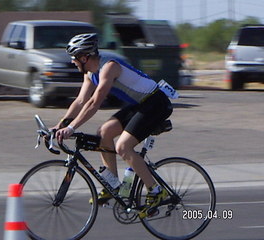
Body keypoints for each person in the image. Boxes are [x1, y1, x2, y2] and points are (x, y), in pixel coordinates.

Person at [52, 33, 174, 218]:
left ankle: (156, 191)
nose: (73, 62)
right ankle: (113, 186)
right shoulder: (90, 74)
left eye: (74, 58)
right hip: (139, 105)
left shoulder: (109, 67)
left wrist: (71, 129)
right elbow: (80, 101)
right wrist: (60, 124)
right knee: (104, 133)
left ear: (84, 57)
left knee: (123, 147)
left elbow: (94, 103)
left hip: (155, 103)